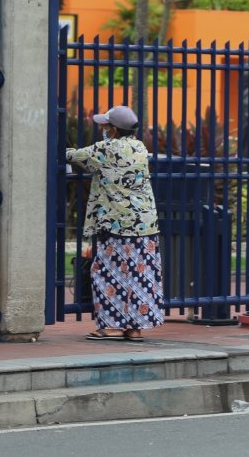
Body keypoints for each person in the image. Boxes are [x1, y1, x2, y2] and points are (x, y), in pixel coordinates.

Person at [66, 105, 163, 342]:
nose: (103, 129)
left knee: (107, 273)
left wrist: (64, 151)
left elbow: (75, 156)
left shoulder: (105, 149)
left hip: (116, 224)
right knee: (140, 275)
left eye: (106, 126)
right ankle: (135, 327)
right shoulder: (140, 147)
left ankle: (110, 325)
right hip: (145, 224)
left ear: (113, 129)